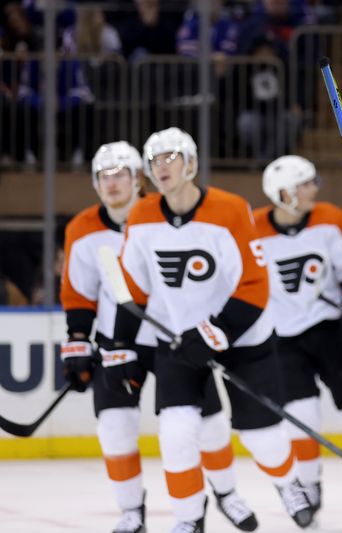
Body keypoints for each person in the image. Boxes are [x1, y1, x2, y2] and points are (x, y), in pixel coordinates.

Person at [106, 128, 314, 532]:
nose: (161, 167)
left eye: (170, 158)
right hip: (180, 340)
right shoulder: (142, 215)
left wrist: (217, 331)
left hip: (243, 336)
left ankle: (288, 484)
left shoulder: (230, 209)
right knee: (175, 432)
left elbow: (254, 284)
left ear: (191, 163)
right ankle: (188, 519)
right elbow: (132, 288)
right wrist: (120, 348)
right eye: (154, 161)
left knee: (262, 436)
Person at [60, 141, 260, 533]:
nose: (112, 184)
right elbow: (79, 294)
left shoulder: (161, 214)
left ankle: (225, 493)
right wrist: (79, 341)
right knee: (114, 427)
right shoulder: (81, 229)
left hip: (175, 338)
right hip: (120, 341)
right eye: (104, 176)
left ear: (139, 179)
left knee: (209, 425)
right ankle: (131, 512)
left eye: (121, 175)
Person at [252, 155, 342, 515]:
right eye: (305, 183)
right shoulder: (253, 229)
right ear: (283, 193)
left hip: (327, 329)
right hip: (282, 338)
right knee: (301, 414)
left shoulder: (329, 218)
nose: (314, 189)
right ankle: (309, 483)